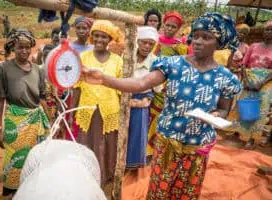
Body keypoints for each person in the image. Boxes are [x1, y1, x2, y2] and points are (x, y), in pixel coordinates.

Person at [81, 12, 241, 199]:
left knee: (187, 192)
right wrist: (103, 79)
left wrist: (216, 116)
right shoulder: (173, 65)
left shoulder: (225, 78)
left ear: (218, 43)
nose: (197, 41)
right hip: (167, 145)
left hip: (197, 149)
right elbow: (140, 84)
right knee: (159, 190)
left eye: (206, 37)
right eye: (196, 36)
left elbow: (224, 109)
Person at [0, 29, 50, 197]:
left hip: (36, 121)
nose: (24, 51)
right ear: (12, 47)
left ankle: (32, 191)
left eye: (27, 47)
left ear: (32, 47)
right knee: (14, 159)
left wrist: (50, 122)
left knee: (36, 158)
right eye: (19, 47)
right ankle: (13, 192)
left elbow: (43, 98)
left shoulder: (38, 70)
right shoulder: (3, 69)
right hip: (15, 123)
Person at [74, 20, 122, 187]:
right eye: (96, 35)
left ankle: (105, 178)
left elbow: (121, 88)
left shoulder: (118, 60)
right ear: (91, 36)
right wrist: (73, 110)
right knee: (88, 143)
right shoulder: (83, 57)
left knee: (108, 144)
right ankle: (88, 178)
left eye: (104, 36)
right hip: (87, 108)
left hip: (110, 110)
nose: (100, 39)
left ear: (109, 39)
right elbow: (76, 87)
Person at [147, 11, 188, 160]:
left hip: (167, 88)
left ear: (178, 29)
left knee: (162, 117)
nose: (169, 29)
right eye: (167, 25)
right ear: (163, 24)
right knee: (149, 116)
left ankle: (159, 148)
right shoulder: (153, 41)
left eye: (173, 27)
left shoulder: (180, 47)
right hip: (150, 83)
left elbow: (182, 70)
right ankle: (146, 150)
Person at [227, 21, 272, 149]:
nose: (268, 32)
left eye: (271, 30)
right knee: (243, 105)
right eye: (267, 30)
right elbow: (244, 64)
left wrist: (261, 83)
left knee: (260, 110)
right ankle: (239, 132)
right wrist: (247, 80)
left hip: (266, 82)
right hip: (249, 78)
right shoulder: (254, 46)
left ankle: (252, 138)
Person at [126, 26, 158, 170]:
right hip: (125, 96)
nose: (147, 46)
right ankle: (118, 161)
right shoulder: (127, 56)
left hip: (142, 99)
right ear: (138, 42)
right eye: (144, 42)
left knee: (137, 132)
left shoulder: (155, 62)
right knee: (121, 130)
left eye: (151, 44)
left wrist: (146, 100)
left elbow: (157, 87)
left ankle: (131, 164)